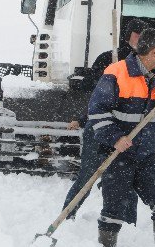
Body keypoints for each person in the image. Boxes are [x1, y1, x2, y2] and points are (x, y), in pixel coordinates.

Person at [89, 28, 155, 247]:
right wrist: (115, 138)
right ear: (154, 51)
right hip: (117, 154)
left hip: (145, 154)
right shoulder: (116, 73)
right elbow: (97, 111)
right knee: (113, 211)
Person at [61, 18, 149, 219]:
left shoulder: (145, 66)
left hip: (125, 132)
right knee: (88, 176)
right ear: (129, 36)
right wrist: (83, 119)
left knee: (127, 179)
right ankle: (67, 216)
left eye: (145, 35)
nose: (142, 39)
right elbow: (97, 100)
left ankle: (127, 223)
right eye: (138, 34)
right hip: (99, 128)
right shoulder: (108, 59)